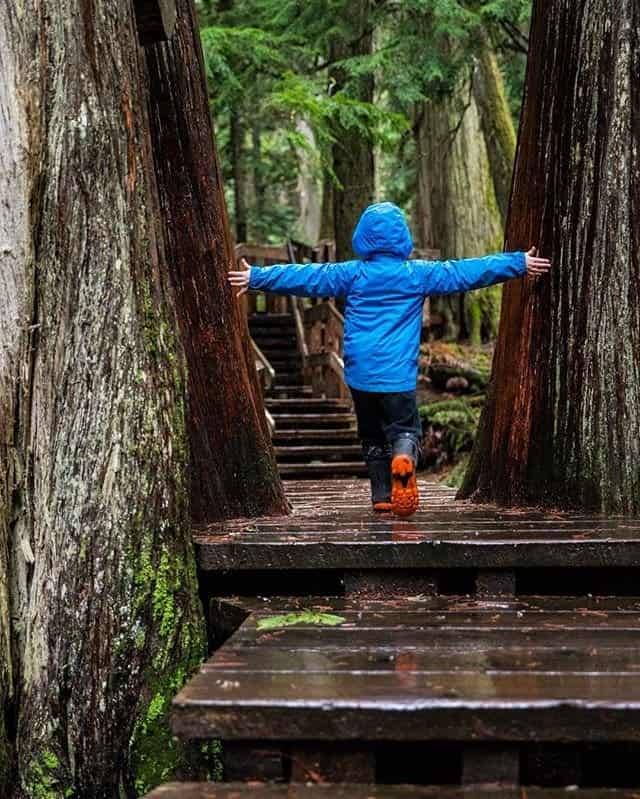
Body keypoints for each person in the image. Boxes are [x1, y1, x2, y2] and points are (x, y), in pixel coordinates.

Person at [228, 202, 551, 517]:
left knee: (371, 435)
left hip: (360, 374)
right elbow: (467, 272)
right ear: (403, 238)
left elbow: (308, 276)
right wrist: (518, 262)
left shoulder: (352, 274)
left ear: (362, 238)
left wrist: (257, 277)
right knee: (404, 429)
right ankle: (404, 459)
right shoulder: (417, 274)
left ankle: (382, 496)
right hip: (397, 375)